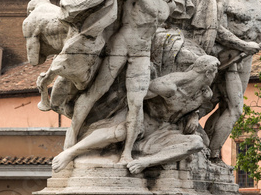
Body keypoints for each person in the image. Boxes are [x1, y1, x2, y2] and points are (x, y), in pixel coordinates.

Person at [63, 0, 179, 165]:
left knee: (136, 103)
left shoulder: (167, 0)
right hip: (122, 45)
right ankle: (71, 134)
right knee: (98, 89)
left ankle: (127, 153)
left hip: (142, 52)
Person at [52, 54, 220, 175]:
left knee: (196, 142)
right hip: (141, 116)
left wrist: (194, 116)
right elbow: (137, 97)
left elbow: (191, 108)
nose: (215, 77)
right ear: (208, 72)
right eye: (215, 73)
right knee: (120, 132)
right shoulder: (170, 85)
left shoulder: (204, 94)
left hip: (164, 132)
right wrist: (134, 121)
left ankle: (144, 162)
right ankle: (70, 153)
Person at [205, 0, 261, 163]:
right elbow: (219, 31)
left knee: (226, 106)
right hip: (229, 58)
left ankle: (208, 146)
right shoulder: (226, 0)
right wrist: (243, 45)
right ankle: (213, 154)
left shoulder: (260, 3)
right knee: (234, 109)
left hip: (247, 59)